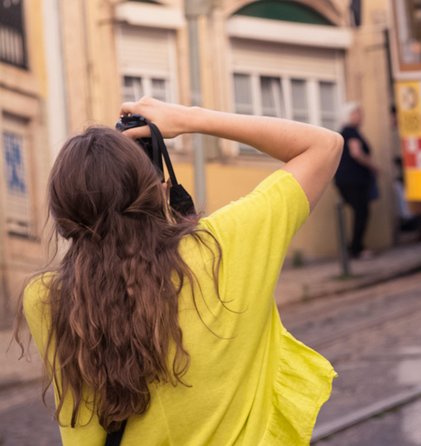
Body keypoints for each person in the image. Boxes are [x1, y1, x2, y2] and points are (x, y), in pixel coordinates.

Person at [13, 97, 343, 445]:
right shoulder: (224, 246)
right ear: (158, 189)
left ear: (63, 215)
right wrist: (190, 119)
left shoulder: (47, 299)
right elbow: (324, 145)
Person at [335, 102, 379, 260]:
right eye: (357, 113)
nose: (361, 116)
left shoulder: (346, 132)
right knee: (362, 212)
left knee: (360, 212)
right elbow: (356, 153)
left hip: (348, 179)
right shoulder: (351, 132)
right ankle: (356, 249)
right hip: (354, 179)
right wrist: (373, 166)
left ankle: (354, 247)